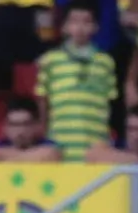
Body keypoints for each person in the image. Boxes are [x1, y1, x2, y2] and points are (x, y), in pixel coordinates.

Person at [35, 1, 117, 162]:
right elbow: (42, 99)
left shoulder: (106, 62)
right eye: (74, 21)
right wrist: (45, 132)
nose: (80, 27)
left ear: (96, 27)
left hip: (95, 141)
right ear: (64, 27)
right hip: (61, 141)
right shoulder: (50, 60)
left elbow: (110, 102)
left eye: (86, 22)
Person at [0, 96, 62, 162]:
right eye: (14, 125)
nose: (20, 131)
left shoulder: (48, 145)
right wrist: (26, 157)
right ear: (5, 127)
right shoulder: (0, 144)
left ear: (35, 126)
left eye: (26, 124)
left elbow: (50, 155)